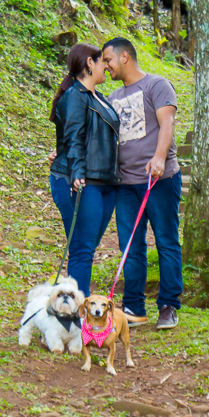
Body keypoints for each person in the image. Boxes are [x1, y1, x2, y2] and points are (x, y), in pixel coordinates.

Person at [103, 37, 182, 330]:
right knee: (129, 246)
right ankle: (134, 307)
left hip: (159, 180)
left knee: (166, 241)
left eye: (108, 60)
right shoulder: (112, 97)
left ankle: (168, 306)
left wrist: (159, 157)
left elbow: (167, 123)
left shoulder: (157, 85)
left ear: (125, 57)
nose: (105, 66)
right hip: (126, 185)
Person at [47, 43, 120, 296]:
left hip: (105, 182)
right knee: (81, 248)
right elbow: (74, 137)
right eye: (103, 61)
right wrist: (77, 172)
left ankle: (69, 305)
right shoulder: (75, 96)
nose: (106, 66)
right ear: (90, 63)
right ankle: (76, 315)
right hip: (81, 181)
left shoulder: (99, 97)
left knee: (86, 247)